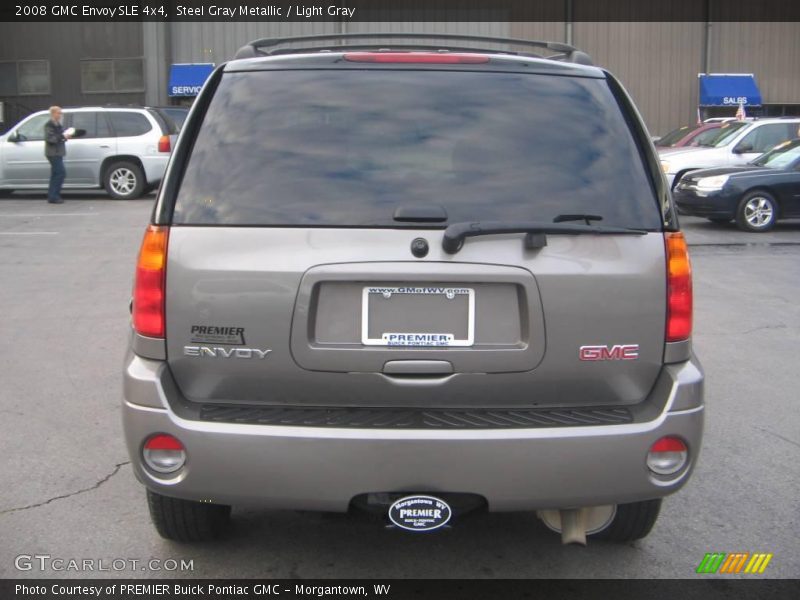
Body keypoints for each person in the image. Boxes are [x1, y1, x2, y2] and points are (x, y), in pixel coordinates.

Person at [44, 106, 72, 204]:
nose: (60, 115)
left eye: (61, 113)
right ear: (53, 114)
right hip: (53, 153)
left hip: (58, 152)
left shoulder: (58, 124)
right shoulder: (49, 125)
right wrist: (62, 136)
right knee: (61, 173)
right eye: (59, 113)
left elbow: (60, 137)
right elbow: (50, 139)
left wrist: (65, 136)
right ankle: (54, 196)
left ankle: (52, 196)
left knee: (55, 174)